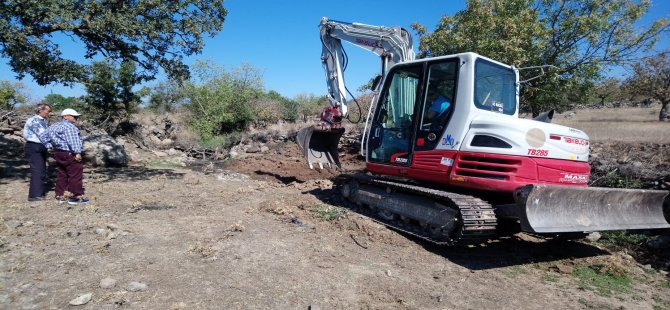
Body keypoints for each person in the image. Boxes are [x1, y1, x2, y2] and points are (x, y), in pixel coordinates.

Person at [39, 108, 89, 205]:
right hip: (70, 153)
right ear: (65, 116)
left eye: (76, 116)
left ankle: (60, 195)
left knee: (62, 174)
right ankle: (75, 196)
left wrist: (50, 146)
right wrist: (77, 153)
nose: (76, 118)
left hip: (58, 153)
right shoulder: (70, 127)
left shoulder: (53, 126)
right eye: (74, 116)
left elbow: (42, 136)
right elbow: (72, 141)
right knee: (75, 174)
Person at [23, 103, 52, 201]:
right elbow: (43, 135)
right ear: (41, 110)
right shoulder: (35, 120)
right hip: (34, 146)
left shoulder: (42, 121)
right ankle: (34, 195)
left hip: (40, 146)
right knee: (37, 170)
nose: (49, 113)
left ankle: (39, 192)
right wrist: (52, 145)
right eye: (48, 111)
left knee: (42, 169)